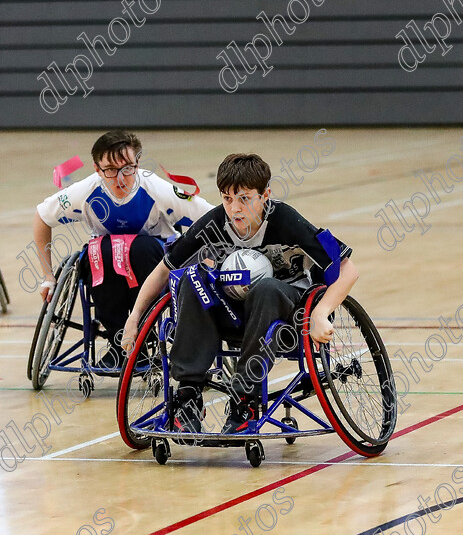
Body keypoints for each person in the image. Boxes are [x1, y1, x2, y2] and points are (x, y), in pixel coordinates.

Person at [122, 153, 358, 435]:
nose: (235, 208)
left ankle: (244, 399)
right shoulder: (214, 223)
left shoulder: (286, 220)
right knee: (191, 278)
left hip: (287, 318)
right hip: (234, 317)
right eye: (227, 198)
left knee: (267, 288)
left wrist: (320, 313)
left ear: (265, 195)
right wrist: (135, 316)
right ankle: (187, 397)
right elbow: (164, 269)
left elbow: (349, 269)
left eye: (245, 198)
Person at [34, 130, 214, 368]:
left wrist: (212, 262)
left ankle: (144, 337)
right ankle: (117, 340)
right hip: (106, 261)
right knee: (99, 251)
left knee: (140, 248)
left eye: (127, 168)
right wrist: (48, 276)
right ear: (97, 169)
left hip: (154, 258)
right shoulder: (85, 191)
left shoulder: (156, 189)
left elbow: (211, 218)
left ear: (137, 164)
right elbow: (42, 217)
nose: (120, 178)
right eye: (110, 169)